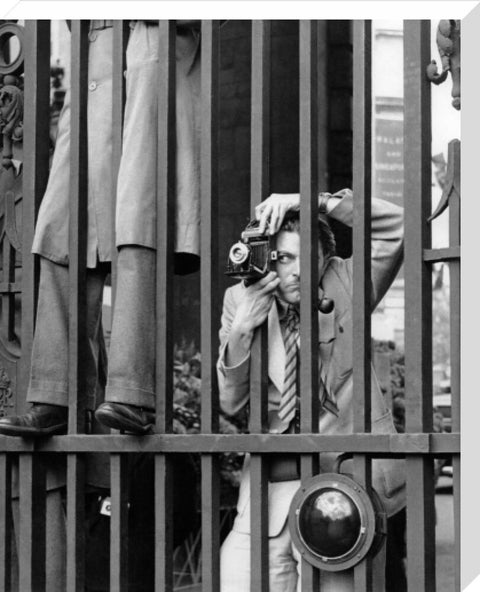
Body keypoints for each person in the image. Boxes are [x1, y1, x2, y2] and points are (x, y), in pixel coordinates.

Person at [0, 19, 201, 438]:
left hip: (151, 53)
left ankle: (132, 394)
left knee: (138, 223)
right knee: (62, 228)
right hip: (95, 69)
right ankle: (55, 397)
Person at [217, 188, 406, 592]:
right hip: (269, 491)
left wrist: (311, 200)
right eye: (283, 258)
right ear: (266, 259)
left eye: (306, 257)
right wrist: (241, 332)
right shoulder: (240, 298)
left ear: (324, 258)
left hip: (346, 488)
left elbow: (398, 229)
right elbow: (231, 404)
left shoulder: (346, 280)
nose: (296, 271)